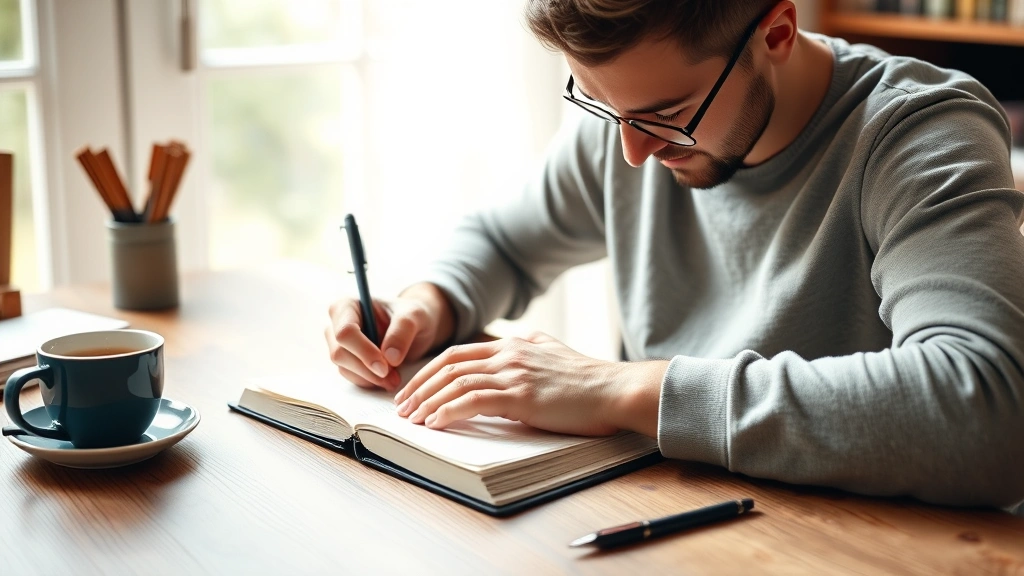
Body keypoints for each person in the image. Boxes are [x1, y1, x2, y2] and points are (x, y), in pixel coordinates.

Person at [324, 0, 1024, 508]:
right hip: (667, 523)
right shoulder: (629, 122)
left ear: (776, 32)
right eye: (595, 99)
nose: (632, 153)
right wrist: (430, 303)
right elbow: (505, 242)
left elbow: (991, 409)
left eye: (666, 115)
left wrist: (621, 389)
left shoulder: (918, 135)